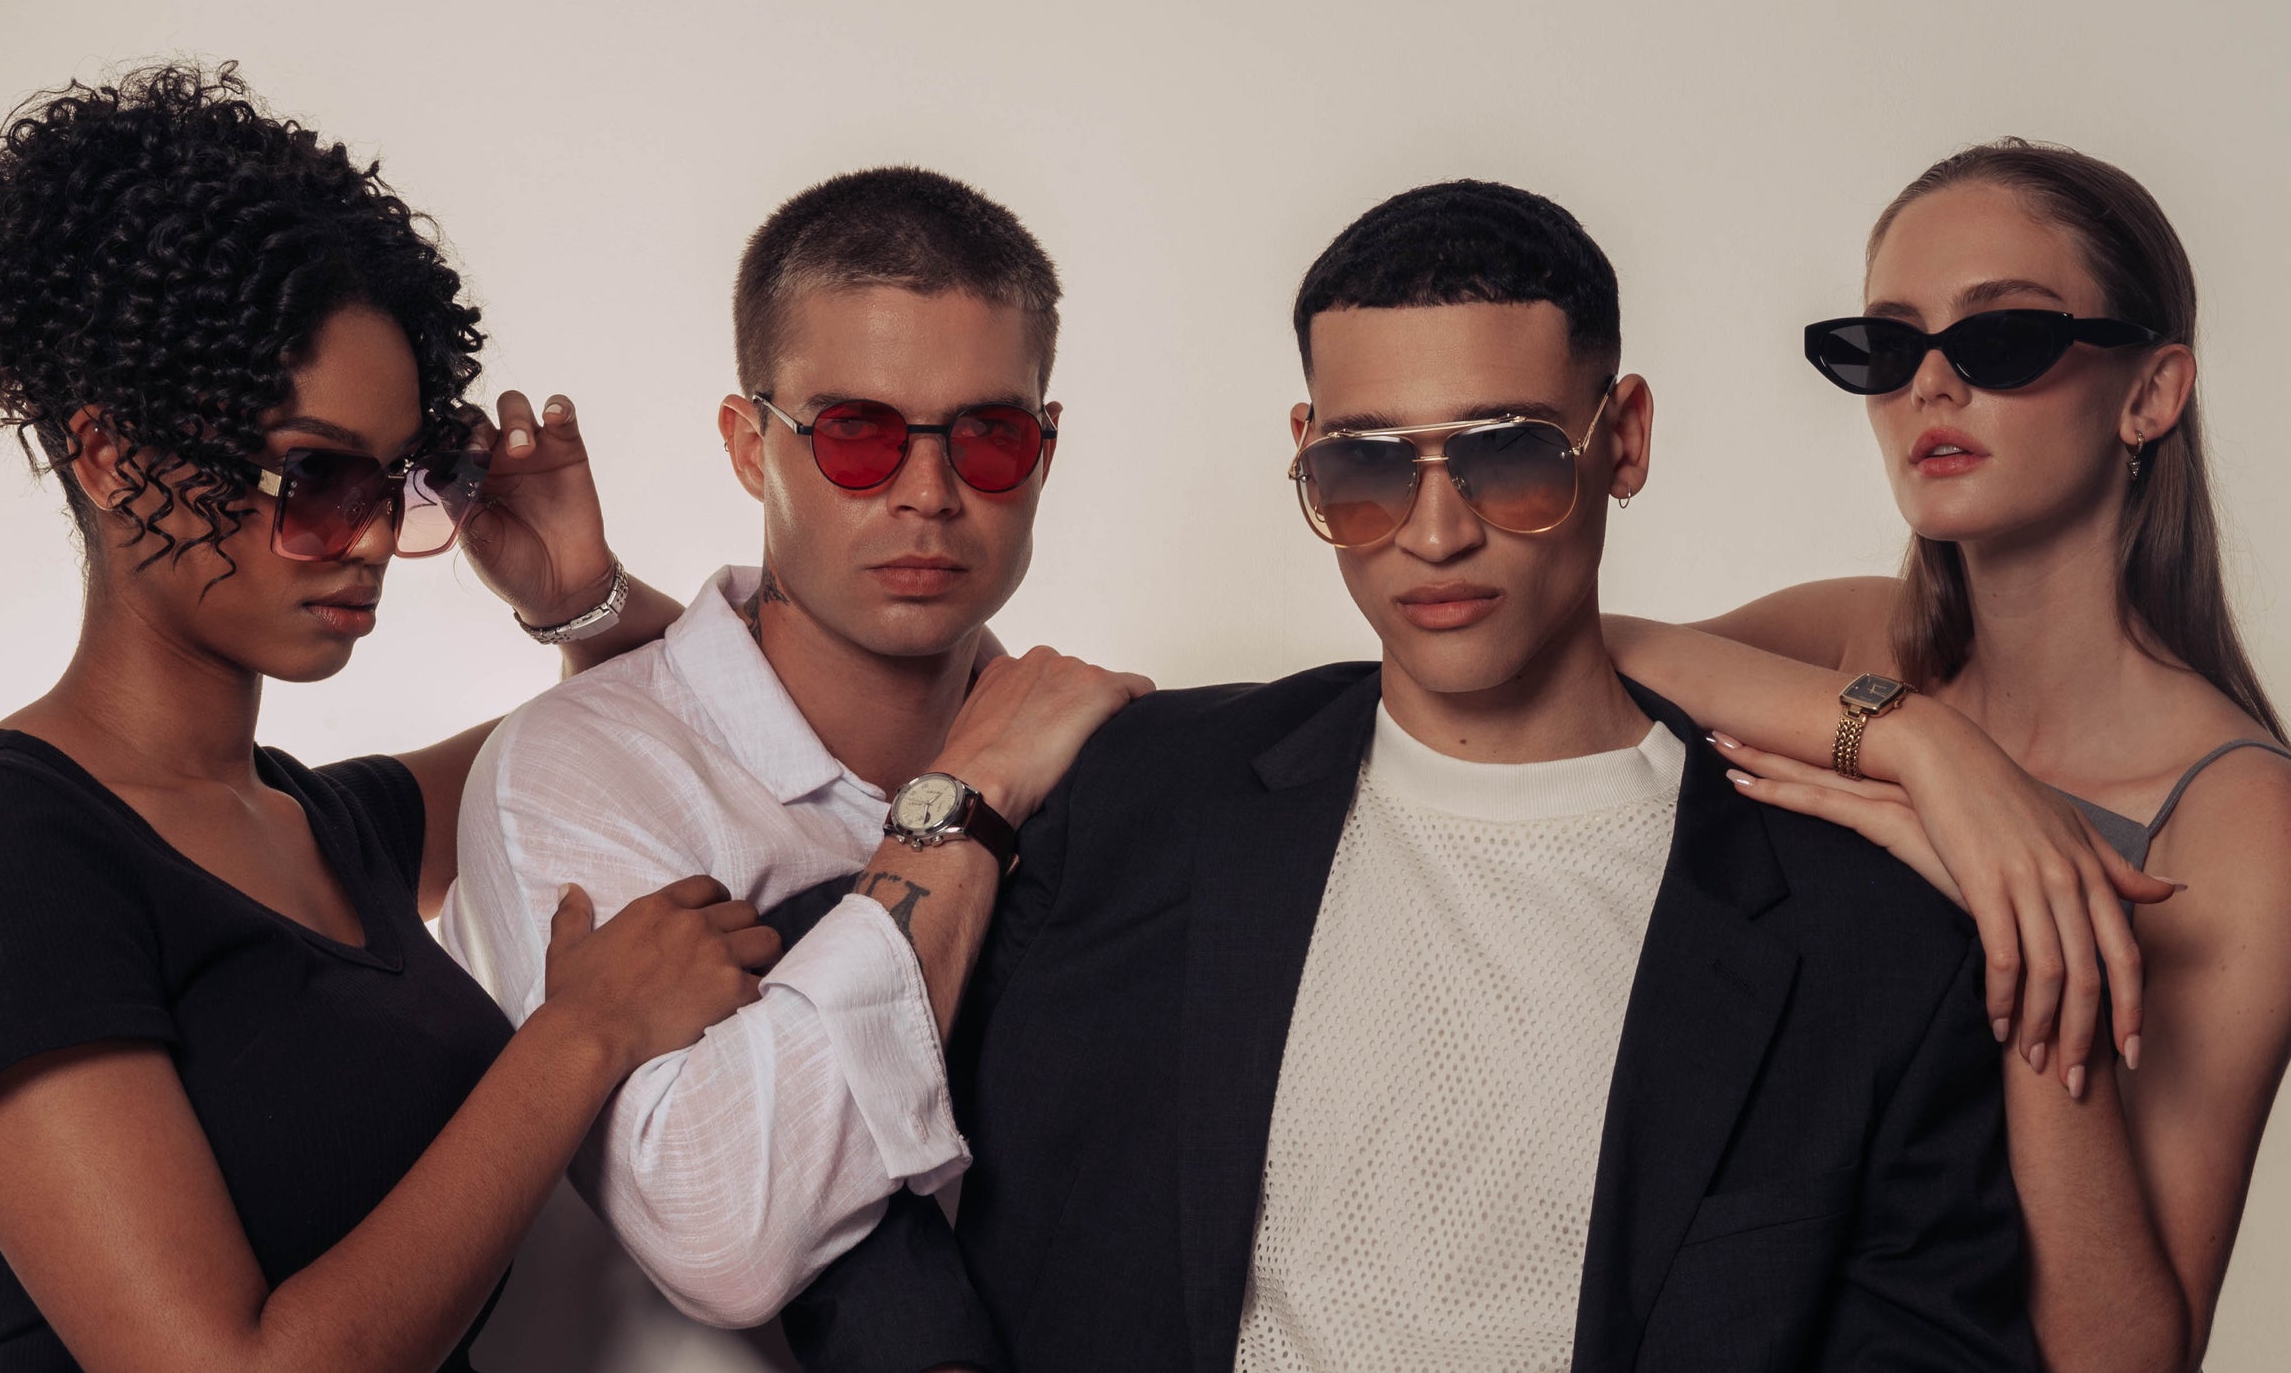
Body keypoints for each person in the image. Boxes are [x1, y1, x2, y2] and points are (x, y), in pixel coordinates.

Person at [784, 179, 2037, 1372]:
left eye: (1510, 456)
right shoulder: (1134, 794)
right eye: (1368, 468)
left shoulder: (1865, 943)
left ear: (1625, 439)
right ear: (1304, 454)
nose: (1436, 534)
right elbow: (810, 1078)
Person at [0, 63, 779, 1373]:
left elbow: (685, 705)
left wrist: (573, 592)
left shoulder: (331, 825)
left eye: (396, 479)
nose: (366, 537)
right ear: (111, 456)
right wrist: (582, 1033)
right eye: (312, 476)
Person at [1600, 140, 2291, 1372]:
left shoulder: (2240, 818)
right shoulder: (1851, 643)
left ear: (2150, 393)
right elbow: (1552, 664)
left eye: (2001, 338)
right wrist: (1922, 745)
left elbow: (2127, 1358)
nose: (1930, 385)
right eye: (1884, 345)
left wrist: (2008, 910)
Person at [440, 167, 1149, 1329]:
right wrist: (964, 803)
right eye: (858, 437)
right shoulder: (578, 770)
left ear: (1046, 449)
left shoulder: (1096, 758)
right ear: (746, 445)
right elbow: (721, 1236)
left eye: (990, 437)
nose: (929, 495)